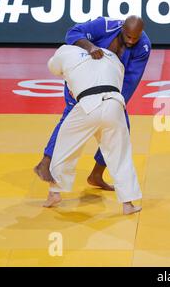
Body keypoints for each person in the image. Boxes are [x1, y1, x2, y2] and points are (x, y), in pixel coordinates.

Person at [34, 15, 151, 191]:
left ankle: (96, 174)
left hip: (109, 86)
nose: (131, 41)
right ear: (122, 29)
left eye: (136, 37)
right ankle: (47, 160)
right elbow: (72, 33)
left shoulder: (143, 46)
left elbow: (130, 79)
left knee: (120, 125)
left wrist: (117, 102)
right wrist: (90, 47)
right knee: (70, 118)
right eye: (128, 36)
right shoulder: (104, 26)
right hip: (82, 81)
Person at [43, 44, 142, 215]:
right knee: (120, 156)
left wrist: (71, 79)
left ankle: (54, 193)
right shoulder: (112, 57)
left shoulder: (65, 50)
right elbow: (116, 82)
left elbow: (53, 68)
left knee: (64, 146)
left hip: (86, 105)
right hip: (114, 104)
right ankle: (128, 204)